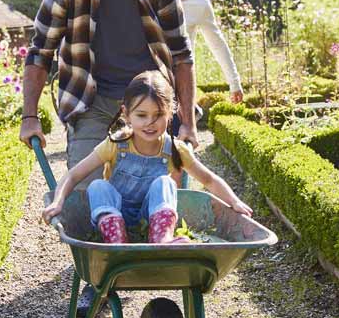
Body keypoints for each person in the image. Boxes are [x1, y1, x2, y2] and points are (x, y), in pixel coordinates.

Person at [20, 0, 197, 316]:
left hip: (150, 99)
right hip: (91, 98)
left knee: (160, 185)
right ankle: (97, 279)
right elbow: (39, 52)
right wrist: (30, 116)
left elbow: (181, 54)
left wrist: (187, 121)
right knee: (84, 195)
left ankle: (156, 253)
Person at [42, 72, 252, 244]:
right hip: (115, 214)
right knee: (97, 186)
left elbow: (209, 180)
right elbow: (73, 175)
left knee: (165, 182)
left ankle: (162, 239)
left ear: (170, 113)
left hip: (150, 219)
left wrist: (234, 202)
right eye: (141, 115)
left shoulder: (174, 149)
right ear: (126, 114)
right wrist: (58, 202)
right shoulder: (116, 144)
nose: (150, 123)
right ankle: (115, 240)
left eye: (158, 115)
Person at [159, 0, 244, 104]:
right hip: (146, 83)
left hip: (181, 86)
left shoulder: (200, 4)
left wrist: (234, 82)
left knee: (183, 129)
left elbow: (217, 44)